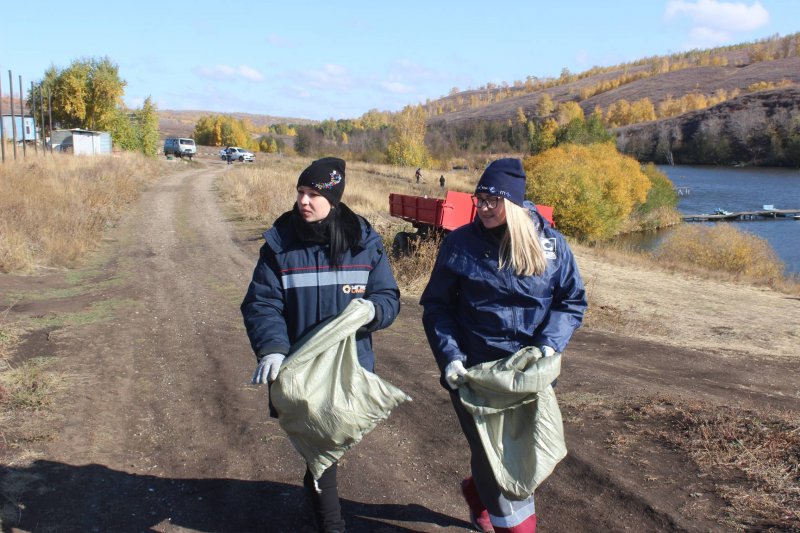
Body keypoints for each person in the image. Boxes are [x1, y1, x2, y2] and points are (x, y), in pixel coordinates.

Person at [419, 158, 587, 533]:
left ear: (513, 202)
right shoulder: (460, 244)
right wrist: (451, 358)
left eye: (494, 200)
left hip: (529, 376)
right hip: (474, 376)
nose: (485, 207)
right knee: (491, 456)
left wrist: (548, 345)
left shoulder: (551, 246)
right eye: (480, 199)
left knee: (525, 452)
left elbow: (571, 301)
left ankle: (477, 497)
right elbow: (437, 307)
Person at [241, 157, 401, 533]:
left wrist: (370, 311)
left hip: (349, 372)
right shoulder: (280, 245)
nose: (303, 201)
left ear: (334, 198)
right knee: (322, 452)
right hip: (301, 372)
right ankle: (332, 525)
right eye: (300, 192)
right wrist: (273, 348)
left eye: (313, 194)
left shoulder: (364, 243)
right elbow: (262, 303)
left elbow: (390, 298)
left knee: (331, 444)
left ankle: (321, 501)